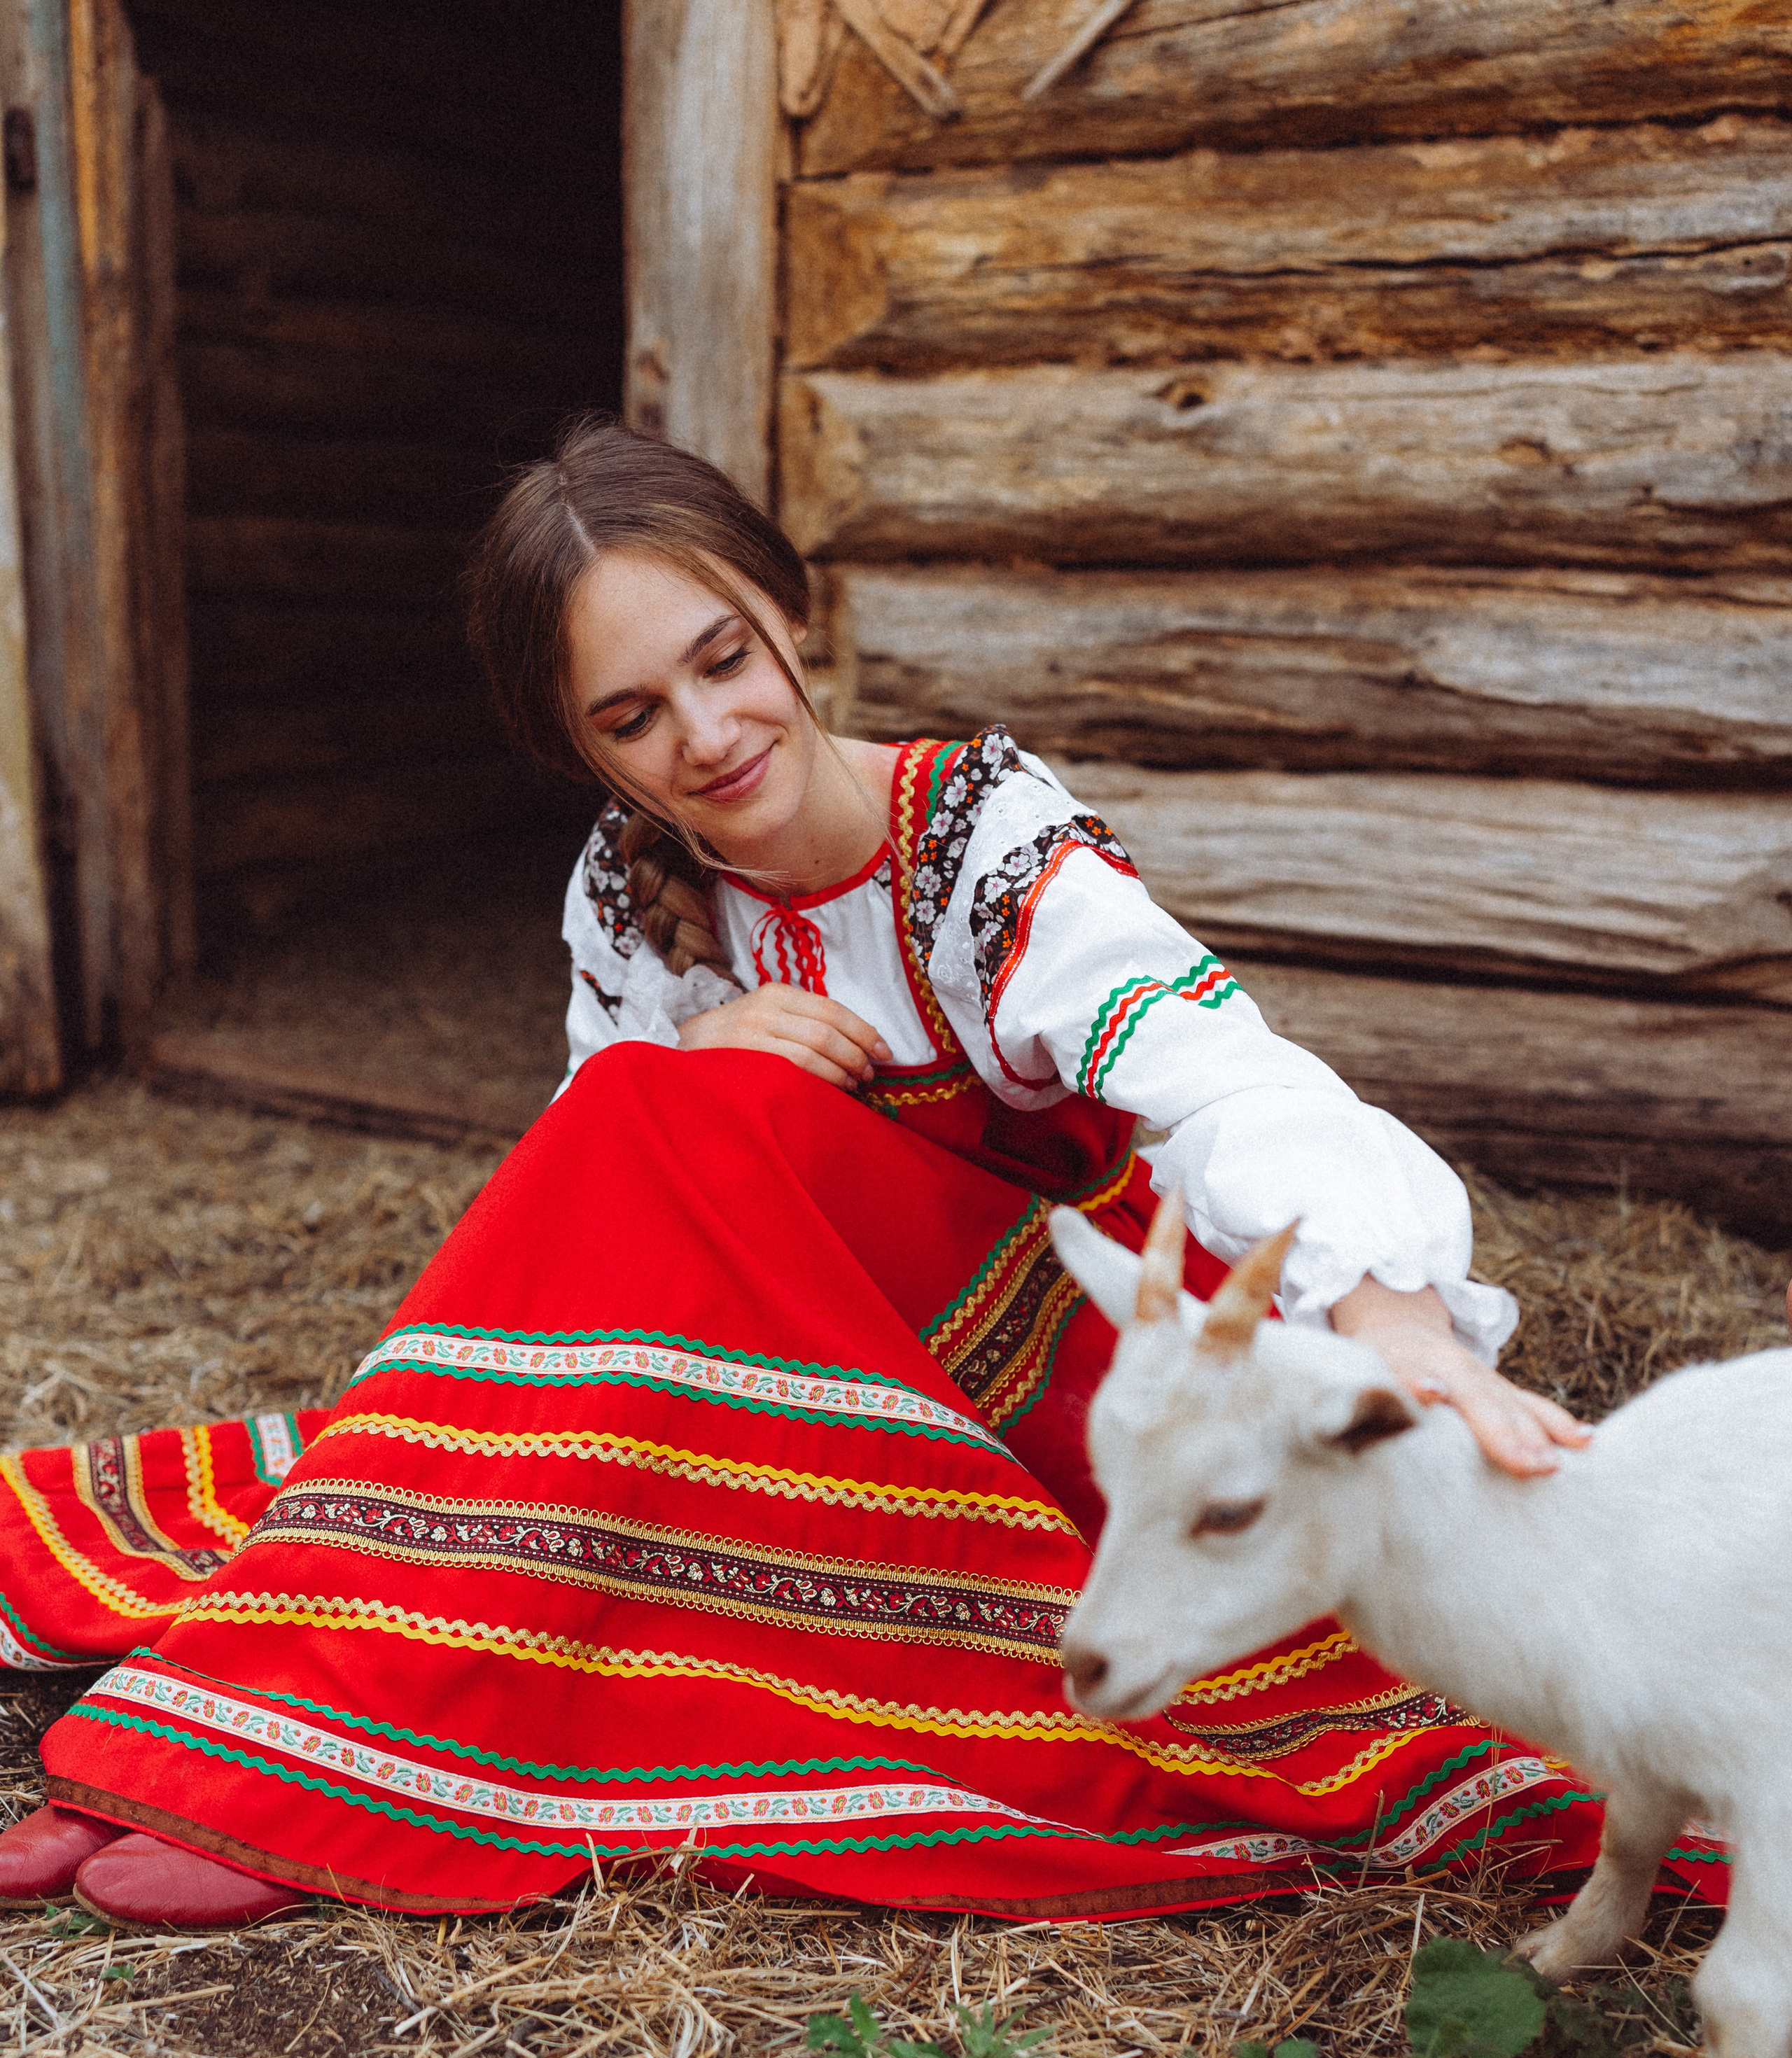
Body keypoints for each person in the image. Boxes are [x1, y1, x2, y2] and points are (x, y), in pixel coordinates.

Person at [1, 421, 1695, 1932]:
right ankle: (311, 1672)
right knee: (630, 1121)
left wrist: (1390, 1318)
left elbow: (1219, 1071)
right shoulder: (624, 894)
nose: (706, 736)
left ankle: (315, 1726)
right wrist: (696, 1056)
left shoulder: (983, 838)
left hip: (1051, 1386)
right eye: (632, 718)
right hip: (814, 1371)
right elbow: (617, 1231)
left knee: (635, 1122)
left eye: (724, 659)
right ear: (581, 752)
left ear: (790, 614)